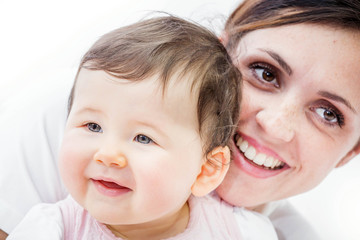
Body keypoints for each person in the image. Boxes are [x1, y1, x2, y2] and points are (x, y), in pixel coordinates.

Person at [1, 0, 360, 239]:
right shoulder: (64, 117)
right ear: (218, 56)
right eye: (264, 73)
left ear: (350, 153)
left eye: (330, 114)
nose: (276, 124)